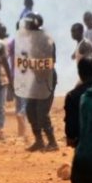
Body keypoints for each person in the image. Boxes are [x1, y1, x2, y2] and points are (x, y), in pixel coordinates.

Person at [23, 14, 59, 152]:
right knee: (30, 108)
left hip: (46, 77)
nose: (25, 26)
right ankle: (39, 140)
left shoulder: (46, 39)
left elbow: (50, 61)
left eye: (28, 24)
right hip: (36, 77)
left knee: (42, 111)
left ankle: (52, 142)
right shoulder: (33, 38)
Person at [64, 57, 92, 147]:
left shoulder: (72, 96)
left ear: (79, 73)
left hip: (83, 148)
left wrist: (71, 139)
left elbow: (70, 129)